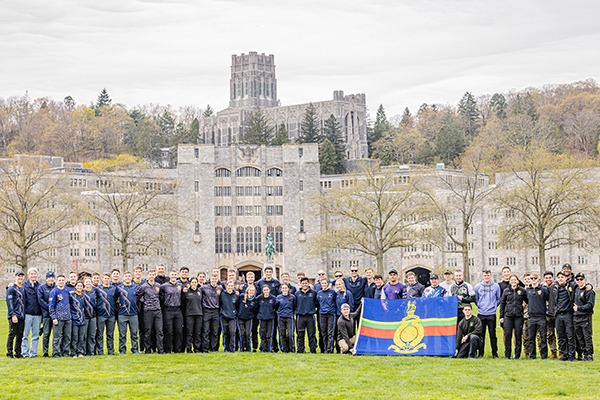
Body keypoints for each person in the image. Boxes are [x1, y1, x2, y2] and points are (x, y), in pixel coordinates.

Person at [135, 269, 164, 354]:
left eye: (153, 274)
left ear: (155, 276)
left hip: (157, 310)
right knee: (148, 331)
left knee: (159, 331)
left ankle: (160, 350)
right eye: (150, 274)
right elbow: (137, 297)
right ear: (147, 276)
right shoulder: (143, 287)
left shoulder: (159, 286)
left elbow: (161, 297)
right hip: (148, 311)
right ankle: (148, 349)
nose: (151, 276)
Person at [499, 274, 527, 359]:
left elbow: (528, 301)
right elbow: (502, 304)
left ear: (518, 281)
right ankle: (507, 355)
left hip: (518, 316)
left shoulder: (521, 290)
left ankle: (517, 355)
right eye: (512, 280)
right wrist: (501, 316)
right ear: (510, 281)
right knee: (508, 336)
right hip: (508, 316)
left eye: (515, 279)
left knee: (518, 336)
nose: (513, 281)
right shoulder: (506, 291)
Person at [474, 269, 500, 358]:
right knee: (481, 335)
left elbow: (498, 298)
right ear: (482, 276)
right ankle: (480, 353)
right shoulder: (478, 287)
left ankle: (494, 353)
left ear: (490, 276)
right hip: (481, 313)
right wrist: (480, 306)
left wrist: (493, 306)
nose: (486, 277)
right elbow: (476, 299)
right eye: (485, 275)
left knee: (493, 334)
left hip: (491, 313)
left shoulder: (496, 286)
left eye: (488, 275)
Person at [552, 271, 576, 361]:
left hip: (567, 315)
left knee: (570, 336)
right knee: (561, 336)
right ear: (557, 279)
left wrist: (589, 285)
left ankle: (571, 355)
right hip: (558, 315)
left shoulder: (571, 286)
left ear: (566, 278)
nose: (560, 279)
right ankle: (564, 354)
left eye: (562, 277)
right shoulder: (555, 288)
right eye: (559, 277)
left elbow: (580, 283)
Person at [526, 272, 548, 359]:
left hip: (541, 316)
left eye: (535, 278)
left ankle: (543, 355)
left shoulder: (543, 289)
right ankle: (532, 355)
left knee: (543, 337)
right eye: (532, 278)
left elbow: (547, 298)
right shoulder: (528, 290)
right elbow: (526, 300)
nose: (533, 280)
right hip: (531, 317)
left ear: (538, 279)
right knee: (531, 338)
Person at [116, 271, 140, 355]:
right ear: (123, 278)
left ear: (131, 278)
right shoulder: (119, 288)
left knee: (134, 333)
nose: (127, 278)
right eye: (126, 276)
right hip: (122, 314)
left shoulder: (136, 287)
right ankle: (122, 350)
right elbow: (116, 299)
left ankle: (135, 350)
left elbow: (139, 298)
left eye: (129, 276)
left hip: (133, 314)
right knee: (122, 334)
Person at [160, 269, 184, 354]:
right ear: (169, 276)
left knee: (178, 330)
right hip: (168, 310)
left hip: (178, 310)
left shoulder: (180, 285)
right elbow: (160, 296)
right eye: (172, 274)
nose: (173, 276)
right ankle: (168, 349)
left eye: (175, 274)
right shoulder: (164, 286)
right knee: (168, 331)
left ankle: (177, 349)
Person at [21, 268, 42, 358]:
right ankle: (25, 352)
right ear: (28, 275)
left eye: (35, 273)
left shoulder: (40, 286)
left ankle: (33, 353)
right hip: (27, 313)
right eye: (31, 273)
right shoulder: (23, 285)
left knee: (35, 335)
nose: (33, 275)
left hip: (37, 314)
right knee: (25, 334)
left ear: (37, 275)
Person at [49, 275, 72, 358]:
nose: (61, 281)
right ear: (57, 281)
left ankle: (65, 352)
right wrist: (53, 317)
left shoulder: (66, 291)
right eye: (60, 280)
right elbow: (51, 306)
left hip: (68, 318)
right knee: (57, 337)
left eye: (63, 280)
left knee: (67, 337)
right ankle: (56, 353)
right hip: (58, 318)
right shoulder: (54, 291)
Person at [573, 273, 594, 361]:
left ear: (584, 280)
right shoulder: (576, 289)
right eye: (577, 279)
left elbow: (590, 305)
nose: (579, 281)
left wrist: (579, 308)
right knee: (579, 337)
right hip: (576, 317)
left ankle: (589, 354)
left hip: (585, 316)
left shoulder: (588, 291)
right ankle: (583, 353)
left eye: (581, 279)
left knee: (587, 336)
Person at [95, 273, 118, 355]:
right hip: (101, 315)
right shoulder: (98, 289)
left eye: (108, 278)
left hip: (111, 315)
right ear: (102, 279)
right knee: (100, 334)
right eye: (105, 278)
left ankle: (110, 351)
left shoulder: (113, 289)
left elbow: (115, 299)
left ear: (110, 279)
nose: (106, 280)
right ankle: (100, 351)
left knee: (110, 335)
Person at [6, 271, 26, 358]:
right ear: (15, 277)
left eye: (22, 276)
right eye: (19, 276)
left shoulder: (23, 287)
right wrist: (13, 315)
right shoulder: (11, 288)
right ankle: (9, 352)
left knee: (20, 335)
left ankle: (18, 352)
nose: (20, 278)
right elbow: (9, 303)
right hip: (14, 315)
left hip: (22, 316)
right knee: (12, 334)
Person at [295, 277, 318, 353]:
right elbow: (295, 304)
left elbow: (316, 303)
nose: (304, 285)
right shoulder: (297, 294)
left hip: (310, 316)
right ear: (300, 284)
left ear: (308, 284)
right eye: (303, 283)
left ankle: (312, 349)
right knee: (300, 334)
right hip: (300, 316)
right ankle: (301, 349)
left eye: (306, 283)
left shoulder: (313, 293)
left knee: (311, 334)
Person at [37, 271, 55, 358]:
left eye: (52, 278)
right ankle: (45, 352)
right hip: (47, 314)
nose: (51, 279)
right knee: (46, 333)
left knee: (57, 334)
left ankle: (56, 351)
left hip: (56, 315)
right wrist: (50, 308)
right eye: (49, 278)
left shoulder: (57, 287)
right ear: (46, 279)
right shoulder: (42, 288)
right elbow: (40, 300)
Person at [240, 271, 260, 352]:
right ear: (246, 278)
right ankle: (245, 346)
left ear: (254, 278)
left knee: (254, 330)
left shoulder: (257, 287)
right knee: (244, 331)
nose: (250, 279)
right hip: (245, 312)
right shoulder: (243, 287)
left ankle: (255, 346)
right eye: (249, 277)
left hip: (254, 312)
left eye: (252, 277)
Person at [201, 275, 221, 352]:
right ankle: (205, 348)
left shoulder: (220, 288)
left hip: (215, 311)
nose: (214, 280)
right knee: (205, 330)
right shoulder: (204, 288)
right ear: (210, 279)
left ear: (217, 279)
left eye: (215, 279)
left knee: (215, 331)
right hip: (207, 311)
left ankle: (213, 348)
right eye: (213, 279)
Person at [316, 277, 337, 354]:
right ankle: (325, 349)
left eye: (325, 283)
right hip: (322, 314)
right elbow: (317, 304)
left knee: (330, 332)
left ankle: (330, 349)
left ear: (327, 284)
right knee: (323, 332)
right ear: (320, 284)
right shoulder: (319, 293)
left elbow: (335, 301)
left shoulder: (332, 292)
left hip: (331, 314)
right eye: (322, 283)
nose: (324, 284)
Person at [183, 277, 203, 353]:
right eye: (193, 282)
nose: (194, 284)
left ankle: (197, 348)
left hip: (199, 314)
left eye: (195, 282)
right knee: (189, 332)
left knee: (197, 333)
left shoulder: (200, 291)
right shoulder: (186, 292)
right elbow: (183, 302)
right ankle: (188, 348)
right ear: (190, 283)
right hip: (189, 314)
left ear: (197, 283)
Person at [276, 284, 296, 353]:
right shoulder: (278, 297)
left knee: (290, 334)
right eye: (283, 288)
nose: (284, 289)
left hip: (289, 317)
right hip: (281, 317)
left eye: (286, 288)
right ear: (281, 289)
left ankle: (291, 348)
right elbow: (276, 306)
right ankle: (285, 349)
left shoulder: (292, 297)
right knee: (282, 334)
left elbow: (295, 306)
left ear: (288, 289)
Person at [219, 281, 239, 353]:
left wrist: (235, 313)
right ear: (226, 286)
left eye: (231, 286)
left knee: (232, 332)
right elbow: (220, 304)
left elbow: (237, 305)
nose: (230, 287)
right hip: (224, 316)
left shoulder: (235, 295)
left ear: (233, 286)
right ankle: (226, 347)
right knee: (225, 333)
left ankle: (232, 348)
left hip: (232, 316)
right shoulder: (222, 294)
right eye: (229, 286)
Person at [69, 281, 86, 358]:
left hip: (82, 318)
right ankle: (73, 352)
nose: (79, 287)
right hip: (74, 318)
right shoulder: (71, 295)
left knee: (81, 337)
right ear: (75, 286)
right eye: (78, 286)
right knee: (75, 337)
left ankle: (80, 352)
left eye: (81, 286)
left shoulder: (83, 296)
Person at [257, 285, 277, 352]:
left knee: (269, 334)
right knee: (262, 334)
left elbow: (276, 307)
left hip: (270, 318)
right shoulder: (259, 298)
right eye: (264, 290)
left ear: (269, 290)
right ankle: (263, 348)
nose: (266, 291)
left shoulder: (273, 298)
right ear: (262, 291)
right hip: (262, 318)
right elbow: (256, 307)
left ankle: (269, 349)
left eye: (267, 290)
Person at [543, 271, 558, 358]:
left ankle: (561, 351)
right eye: (546, 278)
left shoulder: (557, 287)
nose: (548, 279)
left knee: (560, 334)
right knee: (550, 334)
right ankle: (553, 351)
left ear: (553, 278)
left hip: (556, 313)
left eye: (550, 277)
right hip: (547, 313)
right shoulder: (543, 288)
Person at [82, 277, 98, 356]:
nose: (88, 283)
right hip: (85, 316)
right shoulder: (82, 292)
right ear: (84, 283)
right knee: (84, 335)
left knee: (92, 335)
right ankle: (84, 351)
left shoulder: (94, 291)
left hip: (93, 316)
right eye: (86, 282)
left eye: (89, 281)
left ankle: (91, 352)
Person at [133, 266, 146, 353]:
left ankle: (142, 348)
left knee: (143, 329)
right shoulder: (131, 283)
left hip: (143, 309)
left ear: (141, 273)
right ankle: (134, 348)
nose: (138, 273)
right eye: (136, 271)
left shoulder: (145, 283)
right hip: (133, 309)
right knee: (134, 330)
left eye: (139, 271)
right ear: (134, 273)